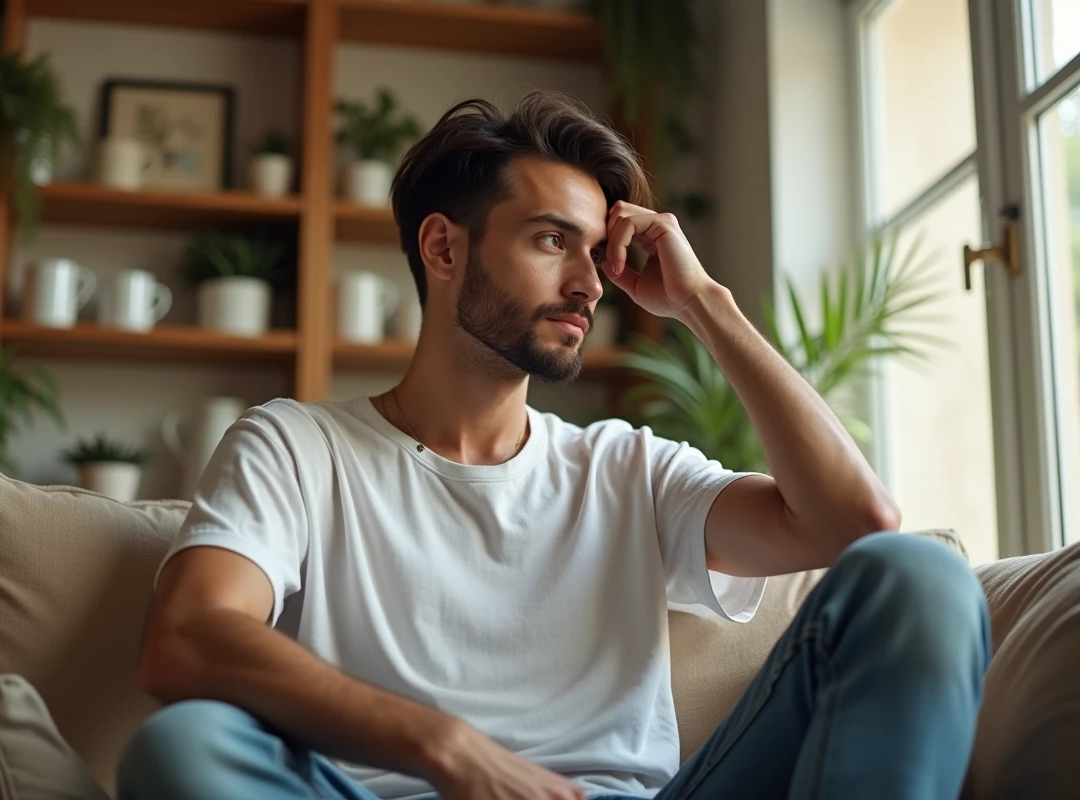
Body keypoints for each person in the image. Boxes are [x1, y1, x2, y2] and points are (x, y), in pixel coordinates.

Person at [117, 91, 990, 800]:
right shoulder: (297, 446)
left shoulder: (629, 468)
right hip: (405, 791)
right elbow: (188, 636)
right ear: (443, 246)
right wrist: (450, 749)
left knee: (923, 576)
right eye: (550, 241)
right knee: (187, 746)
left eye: (597, 255)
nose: (588, 284)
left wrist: (703, 304)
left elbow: (857, 522)